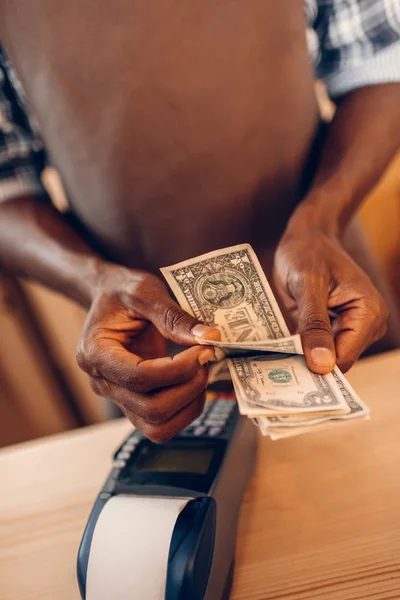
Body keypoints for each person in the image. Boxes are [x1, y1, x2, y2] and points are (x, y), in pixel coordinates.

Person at [0, 1, 399, 443]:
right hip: (138, 347)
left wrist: (322, 219)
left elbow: (381, 61)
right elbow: (5, 182)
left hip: (330, 296)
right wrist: (93, 280)